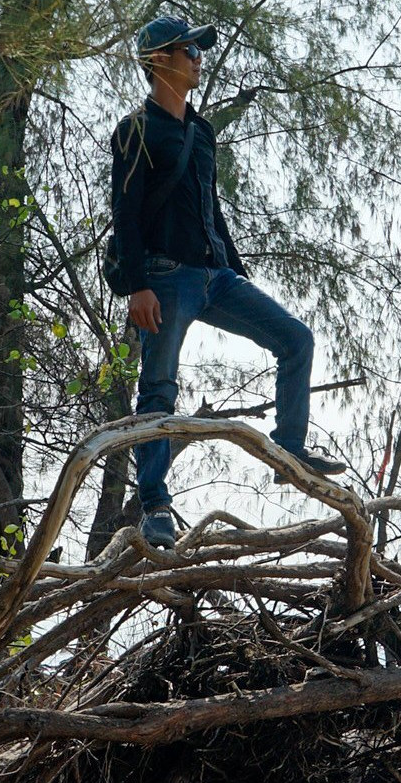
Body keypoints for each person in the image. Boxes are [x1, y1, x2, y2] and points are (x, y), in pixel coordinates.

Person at [111, 15, 347, 549]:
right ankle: (154, 506)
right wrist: (135, 286)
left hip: (216, 277)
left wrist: (233, 269)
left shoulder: (202, 131)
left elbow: (211, 209)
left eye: (198, 50)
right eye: (188, 50)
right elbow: (123, 213)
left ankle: (288, 452)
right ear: (159, 61)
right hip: (164, 280)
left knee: (295, 338)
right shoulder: (136, 129)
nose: (198, 58)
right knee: (158, 390)